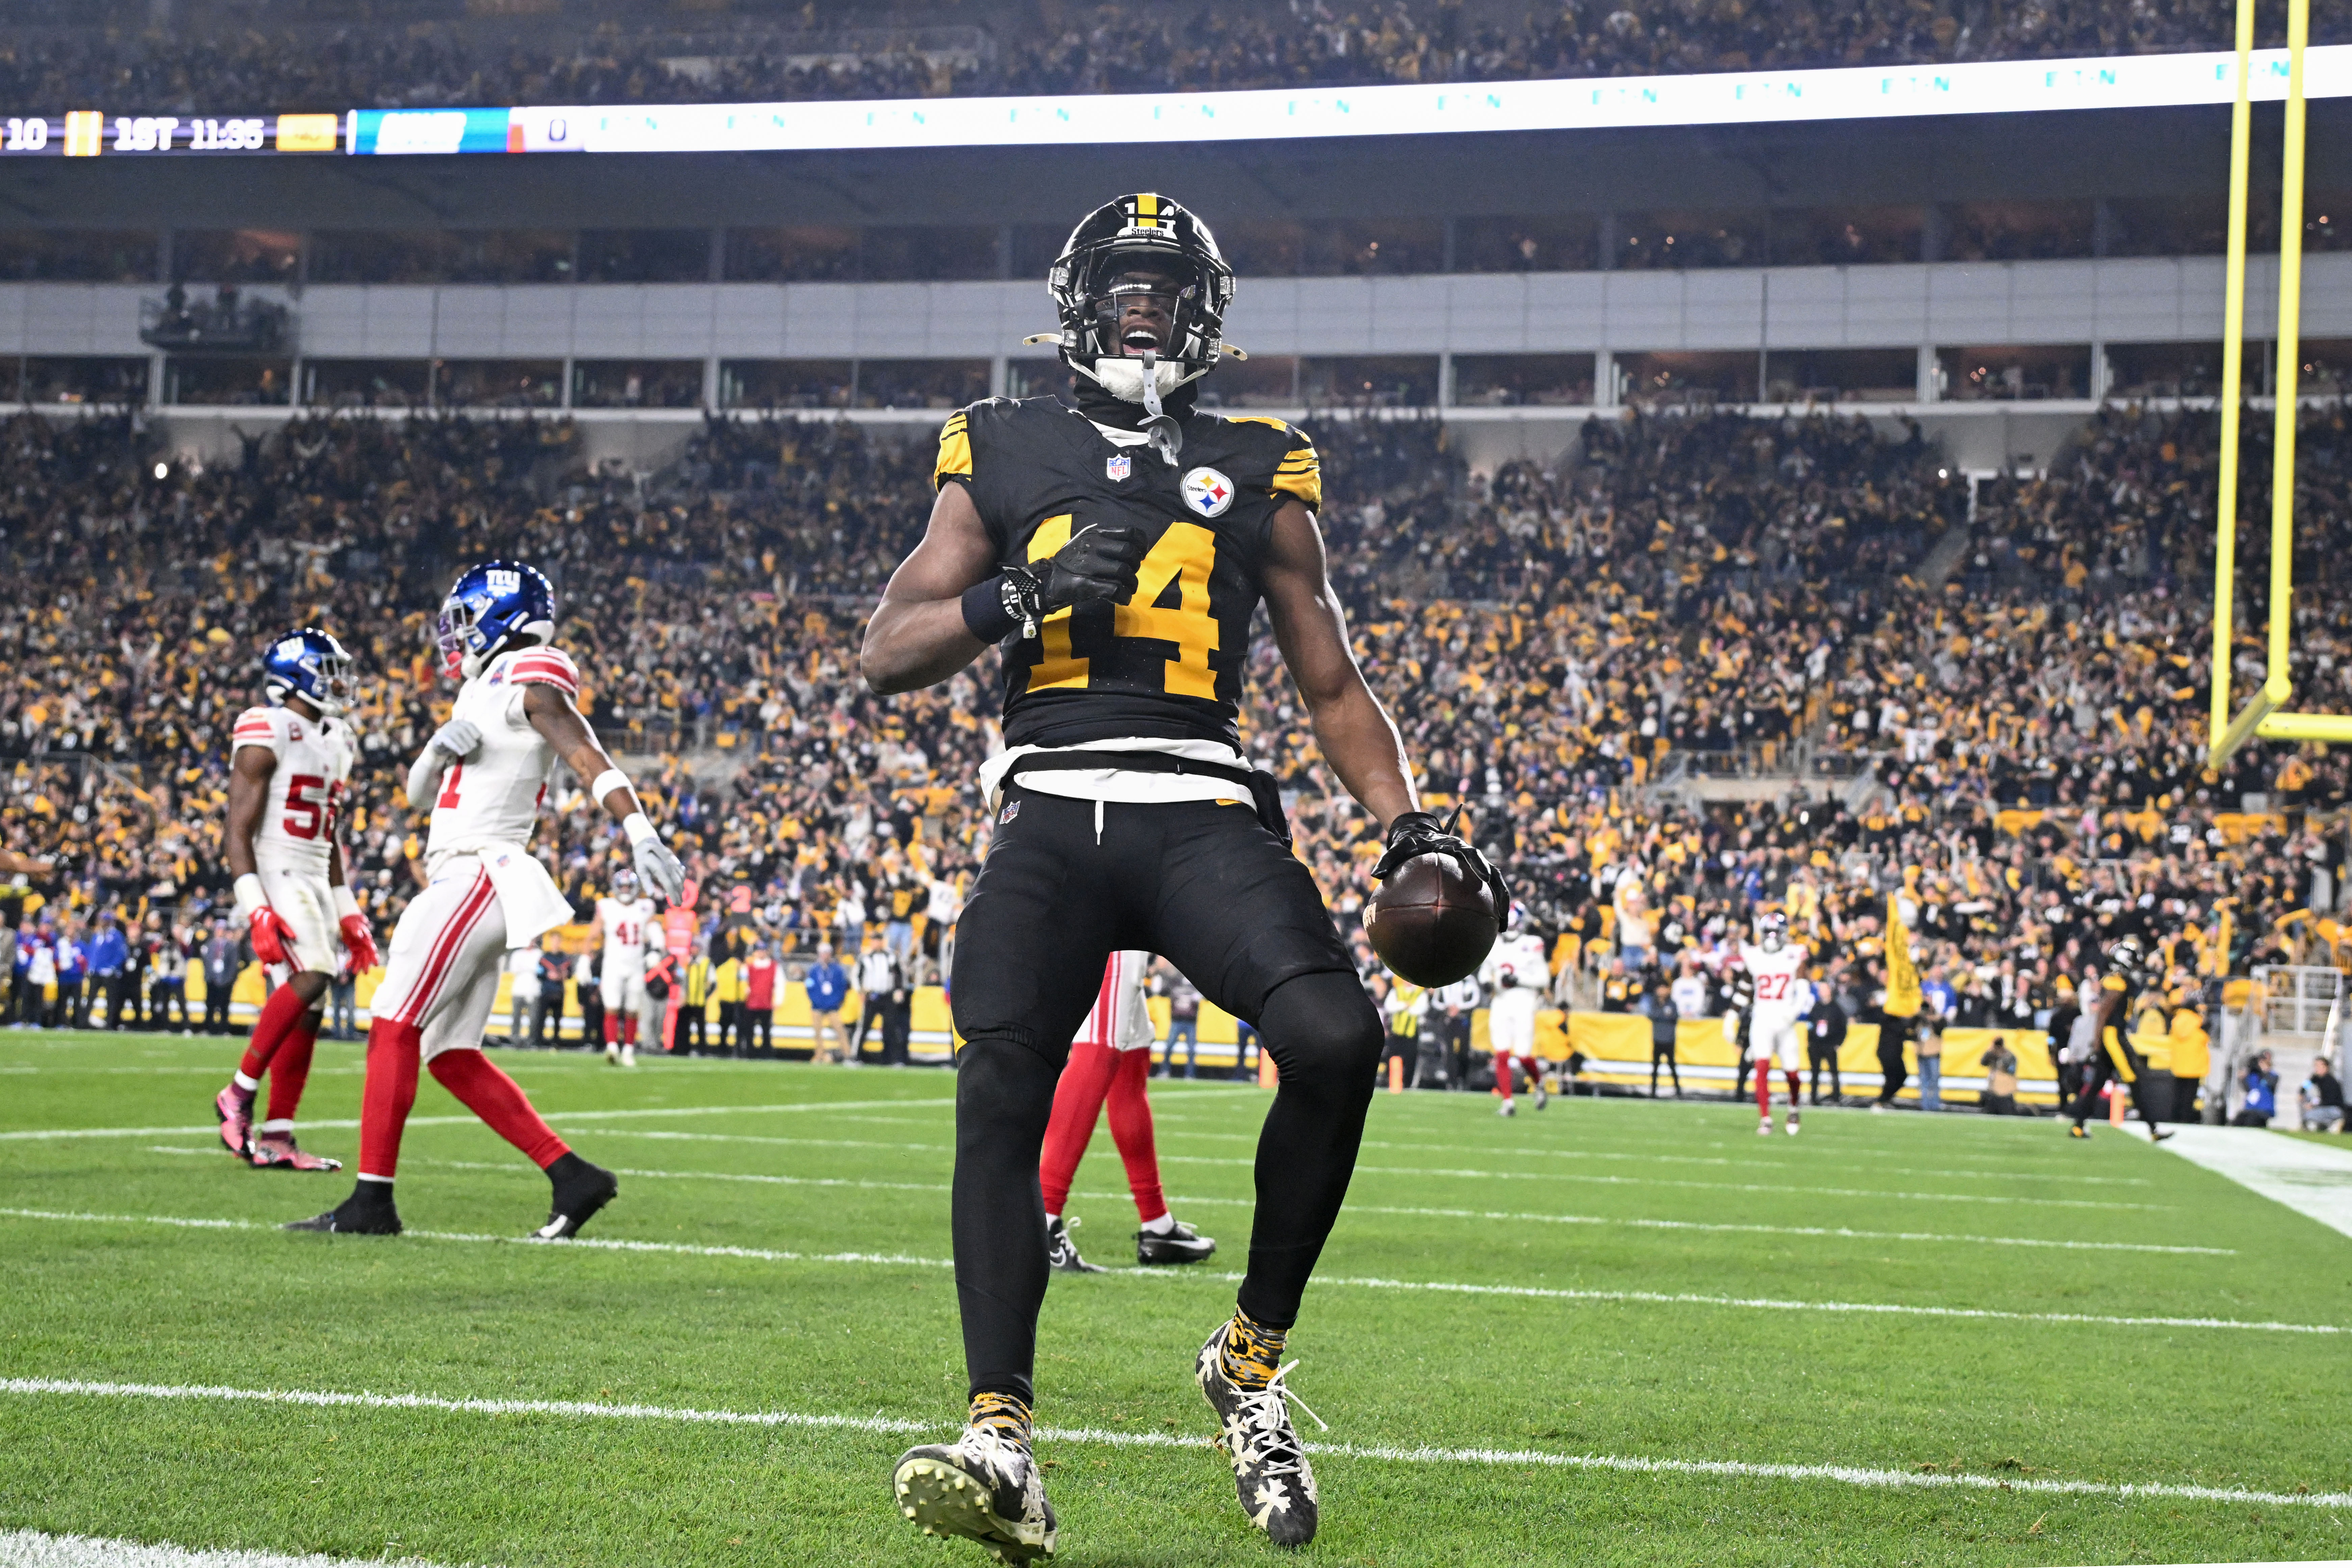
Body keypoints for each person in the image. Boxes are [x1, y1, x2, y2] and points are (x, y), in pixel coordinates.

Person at [861, 193, 1502, 1557]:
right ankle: (999, 1436)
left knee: (1335, 1035)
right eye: (1124, 280)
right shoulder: (1002, 442)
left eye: (1166, 283)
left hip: (1202, 802)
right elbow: (890, 646)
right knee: (998, 1074)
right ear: (1080, 297)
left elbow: (1329, 679)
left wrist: (1404, 822)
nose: (1143, 302)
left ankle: (1249, 1365)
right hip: (1049, 804)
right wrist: (1016, 601)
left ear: (1201, 311)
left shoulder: (1258, 461)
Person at [288, 560, 684, 1239]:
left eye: (469, 620)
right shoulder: (478, 692)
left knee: (392, 1019)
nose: (459, 636)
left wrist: (638, 829)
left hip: (479, 871)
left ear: (505, 619)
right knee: (447, 1051)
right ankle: (573, 1177)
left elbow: (584, 750)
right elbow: (416, 798)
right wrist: (434, 753)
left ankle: (371, 1203)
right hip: (463, 876)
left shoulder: (528, 672)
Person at [211, 628, 373, 1172]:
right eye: (329, 669)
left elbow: (329, 836)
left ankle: (279, 1135)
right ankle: (237, 1094)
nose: (339, 680)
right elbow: (237, 832)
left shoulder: (339, 738)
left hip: (313, 873)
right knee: (316, 973)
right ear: (299, 672)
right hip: (275, 868)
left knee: (313, 1008)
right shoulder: (268, 725)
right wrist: (255, 905)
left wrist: (349, 912)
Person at [1040, 950, 1218, 1273]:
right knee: (1099, 1047)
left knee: (1130, 1056)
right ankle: (1043, 1221)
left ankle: (1157, 1224)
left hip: (1120, 922)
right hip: (1113, 919)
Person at [2062, 936, 2174, 1142]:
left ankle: (2078, 1125)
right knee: (2133, 1080)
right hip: (2112, 1036)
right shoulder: (2117, 982)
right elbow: (2103, 1013)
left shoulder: (2120, 981)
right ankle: (2154, 1129)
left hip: (2114, 1035)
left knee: (2097, 1083)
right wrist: (2097, 1042)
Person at [1741, 912, 1810, 1135]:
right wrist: (1733, 1015)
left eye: (1775, 932)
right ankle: (1766, 1118)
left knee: (1792, 1074)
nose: (1771, 937)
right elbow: (1746, 985)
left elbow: (1803, 987)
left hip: (1785, 1019)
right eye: (1768, 932)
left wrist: (1794, 1012)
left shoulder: (1795, 954)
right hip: (1762, 1017)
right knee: (1762, 1066)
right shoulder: (1754, 955)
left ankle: (1793, 1106)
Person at [1482, 907, 1550, 1115]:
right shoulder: (1494, 944)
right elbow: (1485, 971)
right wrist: (1486, 982)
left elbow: (1544, 979)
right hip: (1501, 1000)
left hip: (1524, 1001)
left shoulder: (1532, 944)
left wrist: (1519, 980)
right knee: (1501, 1053)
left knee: (1523, 1056)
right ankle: (1508, 1102)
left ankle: (1539, 1084)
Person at [591, 867, 658, 1067]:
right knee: (611, 1007)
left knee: (632, 1009)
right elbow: (594, 933)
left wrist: (655, 949)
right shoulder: (607, 906)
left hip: (636, 965)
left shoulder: (645, 907)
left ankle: (628, 1050)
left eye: (630, 886)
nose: (627, 889)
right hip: (613, 965)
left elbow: (655, 930)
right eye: (623, 886)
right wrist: (586, 960)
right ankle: (612, 1047)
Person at [805, 941, 850, 1062]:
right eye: (823, 953)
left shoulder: (837, 970)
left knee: (840, 1031)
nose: (825, 956)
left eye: (827, 953)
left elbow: (842, 987)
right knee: (817, 1033)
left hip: (833, 1007)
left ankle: (848, 1055)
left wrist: (836, 1001)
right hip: (817, 1006)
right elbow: (809, 988)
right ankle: (819, 1055)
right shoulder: (814, 970)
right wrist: (817, 1001)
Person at [1157, 963, 1202, 1079]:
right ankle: (1165, 1071)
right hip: (1177, 1020)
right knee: (1169, 1048)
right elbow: (1162, 992)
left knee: (1191, 1050)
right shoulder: (1174, 982)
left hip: (1190, 1022)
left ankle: (1190, 1074)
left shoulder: (1196, 984)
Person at [1806, 983, 1847, 1105]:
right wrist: (1809, 1041)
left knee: (1833, 1071)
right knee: (1815, 1071)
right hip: (1816, 1044)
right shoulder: (1816, 1007)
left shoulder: (1836, 1009)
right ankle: (1813, 1097)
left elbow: (1843, 1028)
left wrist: (1838, 1043)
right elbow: (1810, 1023)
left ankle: (1836, 1096)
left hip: (1830, 1044)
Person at [1641, 978, 1681, 1098]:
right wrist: (1664, 1014)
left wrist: (1662, 1015)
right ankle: (1653, 1092)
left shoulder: (1672, 1004)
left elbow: (1673, 1016)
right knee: (1655, 1068)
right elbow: (1652, 1015)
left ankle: (1678, 1091)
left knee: (1673, 1067)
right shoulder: (1655, 1003)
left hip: (1669, 1040)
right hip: (1658, 1040)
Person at [200, 920, 240, 1036]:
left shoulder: (231, 946)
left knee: (224, 1006)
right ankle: (209, 1029)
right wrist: (209, 977)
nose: (220, 932)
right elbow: (206, 962)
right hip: (212, 980)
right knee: (210, 1005)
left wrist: (229, 979)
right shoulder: (209, 945)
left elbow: (233, 964)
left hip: (225, 980)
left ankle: (224, 1029)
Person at [741, 941, 777, 1057]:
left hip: (766, 1003)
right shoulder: (749, 966)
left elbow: (780, 983)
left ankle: (766, 1053)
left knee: (766, 1030)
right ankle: (750, 1052)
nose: (761, 953)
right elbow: (743, 982)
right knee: (749, 1030)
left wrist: (778, 1000)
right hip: (752, 1003)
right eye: (759, 950)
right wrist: (745, 993)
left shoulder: (774, 966)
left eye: (763, 950)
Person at [2299, 1054, 2344, 1132]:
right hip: (2325, 1106)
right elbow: (2306, 1085)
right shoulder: (2317, 1078)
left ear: (2325, 1067)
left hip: (2334, 1109)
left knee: (2308, 1116)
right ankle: (2324, 1126)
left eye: (2318, 1066)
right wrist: (2301, 1093)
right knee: (2307, 1099)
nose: (2316, 1069)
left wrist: (2313, 1105)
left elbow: (2330, 1101)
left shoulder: (2331, 1082)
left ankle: (2332, 1123)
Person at [2234, 1050, 2279, 1128]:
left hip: (2263, 1110)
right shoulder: (2253, 1077)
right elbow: (2247, 1088)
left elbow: (2271, 1082)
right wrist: (2243, 1078)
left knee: (2253, 1122)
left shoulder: (2273, 1076)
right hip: (2251, 1109)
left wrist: (2265, 1070)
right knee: (2238, 1122)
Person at [1978, 1038, 2020, 1115]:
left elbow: (2011, 1071)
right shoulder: (1991, 1054)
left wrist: (2002, 1065)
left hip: (2005, 1088)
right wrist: (1989, 1052)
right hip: (1993, 1089)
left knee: (2007, 1110)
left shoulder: (2009, 1056)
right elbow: (1983, 1063)